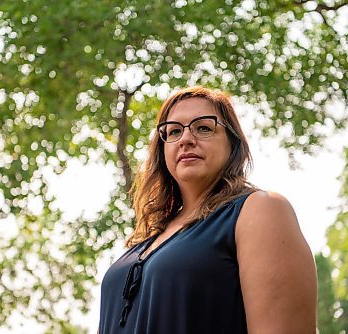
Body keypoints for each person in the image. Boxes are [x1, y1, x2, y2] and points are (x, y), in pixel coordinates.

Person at [98, 86, 317, 333]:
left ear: (232, 143)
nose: (186, 139)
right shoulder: (149, 238)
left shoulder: (260, 210)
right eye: (173, 131)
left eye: (203, 128)